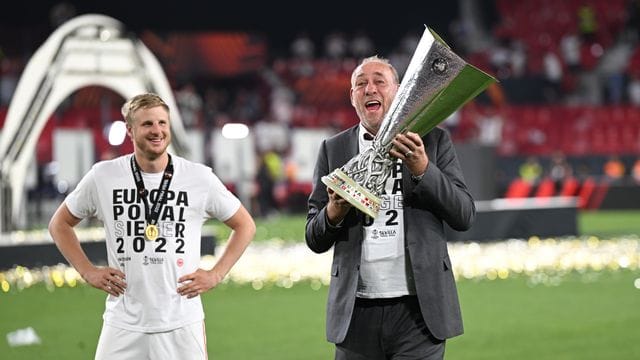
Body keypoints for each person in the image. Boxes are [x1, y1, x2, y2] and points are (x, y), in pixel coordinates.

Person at [48, 93, 256, 359]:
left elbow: (245, 225)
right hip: (123, 321)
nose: (157, 131)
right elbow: (60, 224)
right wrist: (88, 271)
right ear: (130, 130)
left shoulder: (198, 177)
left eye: (162, 123)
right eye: (148, 124)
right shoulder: (104, 176)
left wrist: (216, 274)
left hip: (181, 322)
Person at [305, 55, 475, 359]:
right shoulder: (334, 149)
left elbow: (463, 214)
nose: (370, 89)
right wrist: (333, 213)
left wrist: (424, 168)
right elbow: (314, 237)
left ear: (398, 92)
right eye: (361, 84)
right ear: (352, 97)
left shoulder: (432, 141)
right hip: (355, 314)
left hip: (420, 313)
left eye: (379, 82)